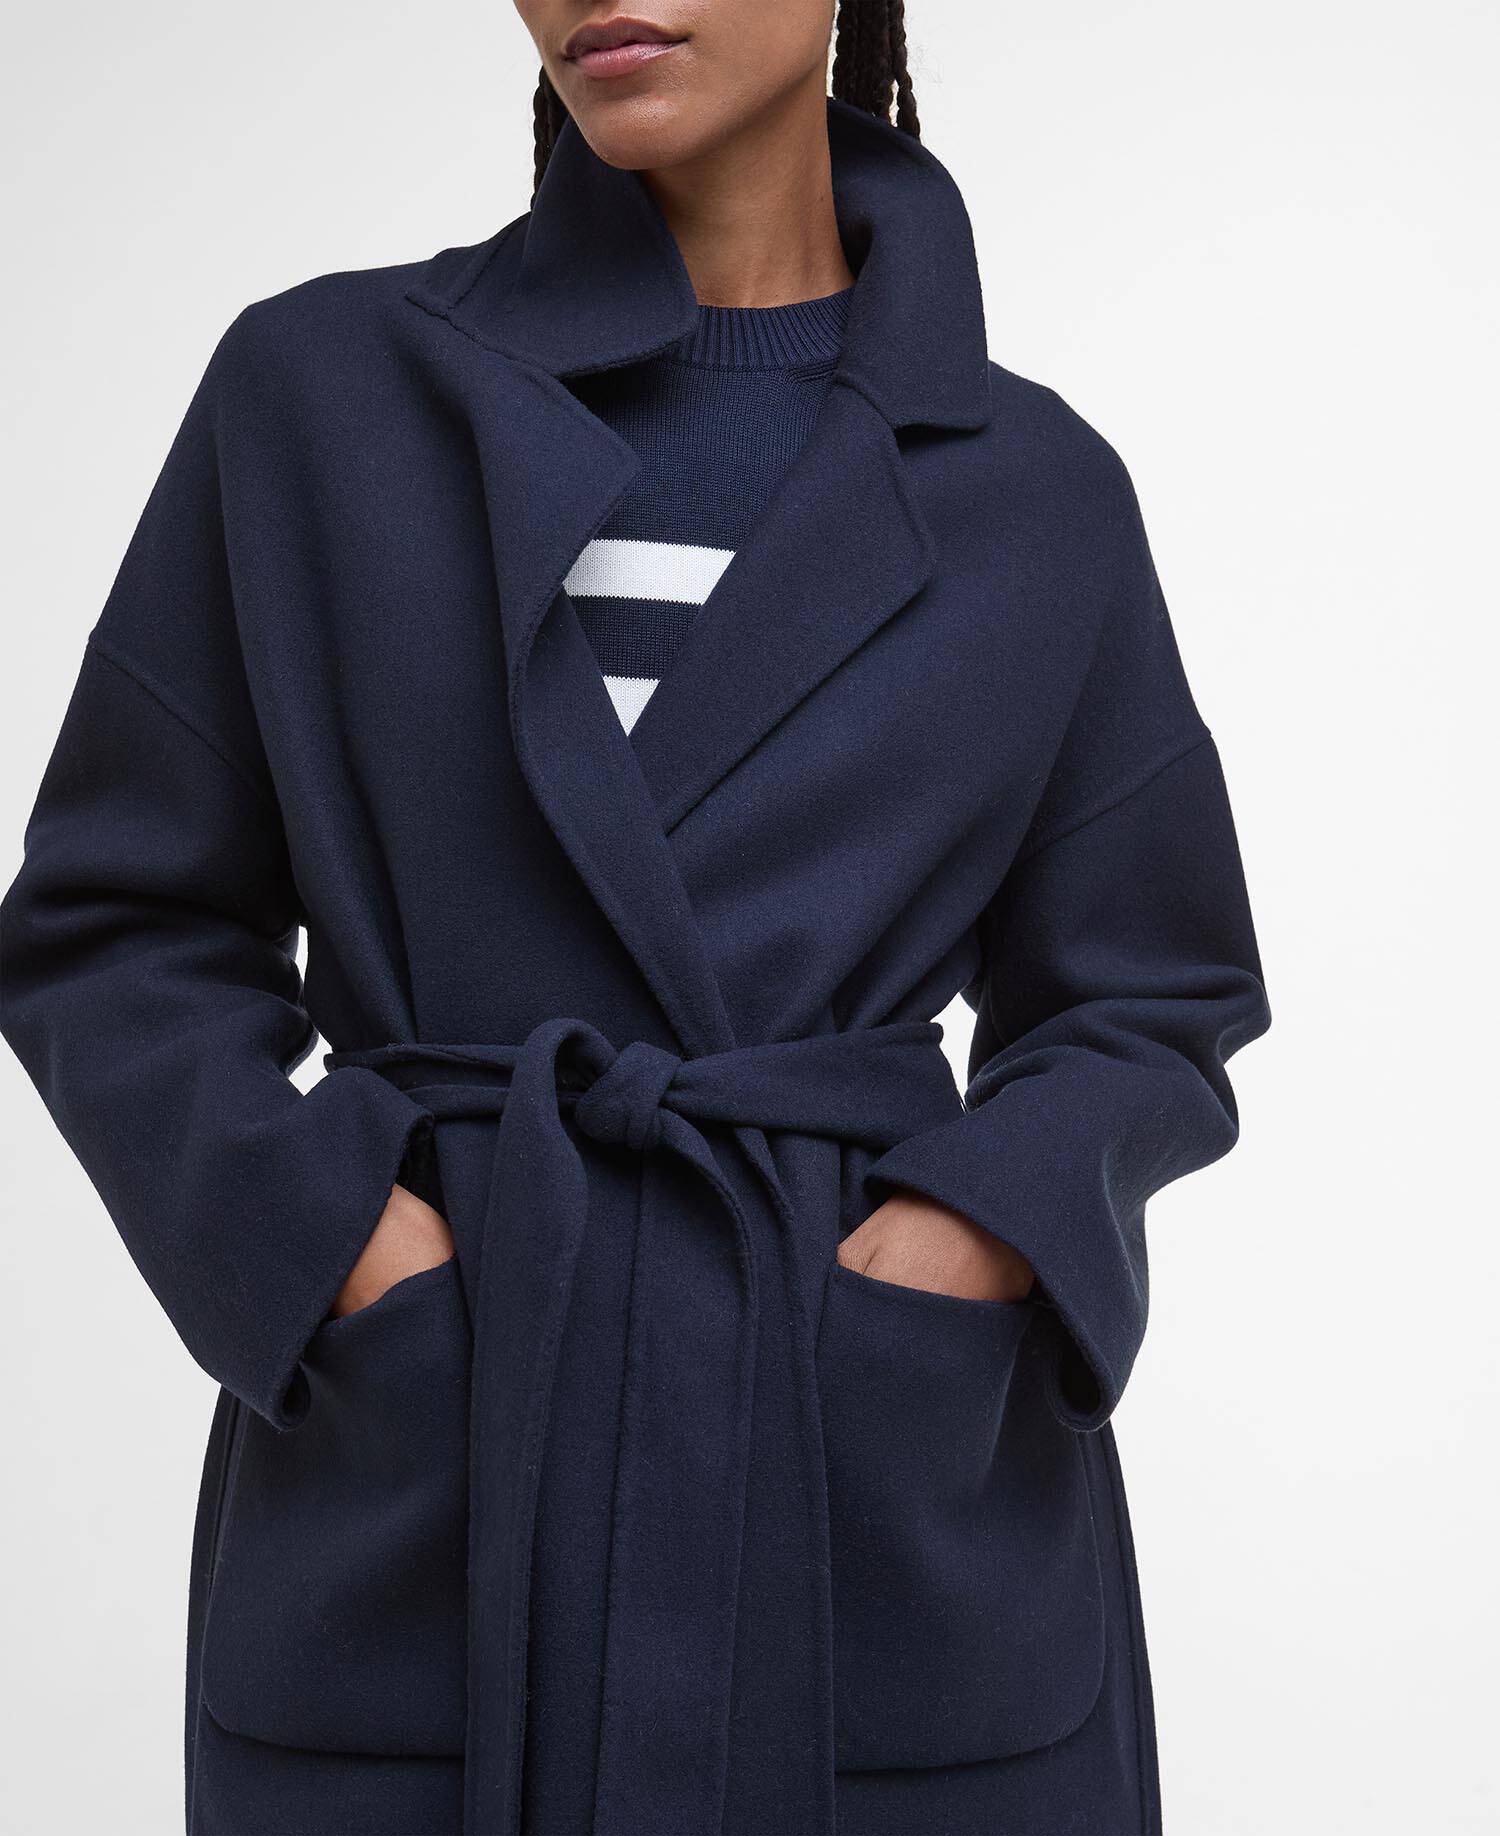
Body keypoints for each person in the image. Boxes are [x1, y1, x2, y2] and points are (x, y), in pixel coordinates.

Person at [0, 2, 1272, 1832]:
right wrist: (336, 1245)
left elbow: (1153, 990)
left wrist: (971, 1238)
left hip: (879, 1522)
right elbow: (111, 922)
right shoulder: (320, 399)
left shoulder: (1035, 489)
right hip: (432, 1500)